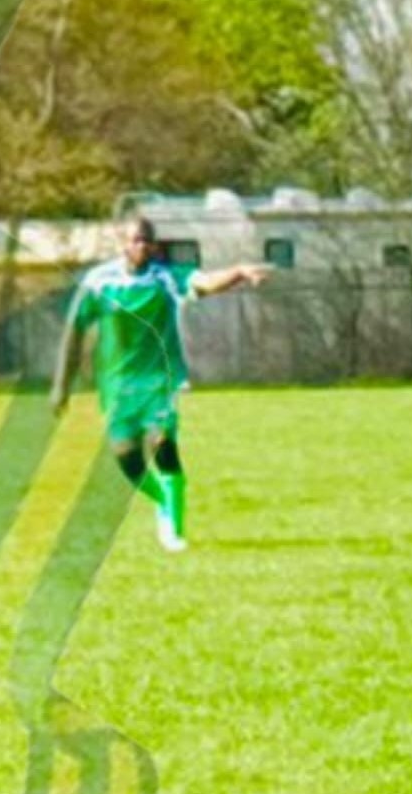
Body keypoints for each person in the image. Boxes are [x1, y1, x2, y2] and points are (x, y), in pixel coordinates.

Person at [50, 217, 271, 553]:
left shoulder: (165, 277)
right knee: (128, 461)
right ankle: (162, 498)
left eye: (148, 241)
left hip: (160, 377)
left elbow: (206, 283)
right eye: (137, 240)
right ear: (122, 243)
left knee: (162, 442)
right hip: (118, 383)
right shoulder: (99, 283)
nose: (143, 247)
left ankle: (173, 527)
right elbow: (74, 332)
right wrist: (61, 387)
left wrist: (239, 272)